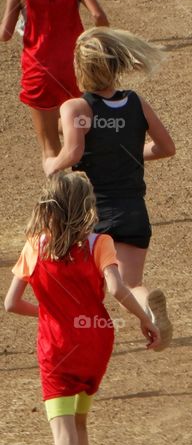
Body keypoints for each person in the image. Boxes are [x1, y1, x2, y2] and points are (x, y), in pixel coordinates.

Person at [4, 172, 160, 445]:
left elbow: (10, 303)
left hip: (56, 347)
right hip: (95, 342)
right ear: (87, 206)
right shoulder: (98, 242)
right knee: (80, 422)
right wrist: (145, 319)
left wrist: (47, 313)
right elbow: (117, 289)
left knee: (62, 430)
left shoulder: (34, 246)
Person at [43, 28, 175, 352]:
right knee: (132, 283)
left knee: (87, 286)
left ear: (80, 69)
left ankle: (81, 343)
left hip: (93, 215)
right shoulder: (136, 102)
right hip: (133, 211)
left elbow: (73, 153)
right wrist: (127, 150)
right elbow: (166, 147)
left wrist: (51, 163)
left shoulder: (76, 107)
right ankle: (152, 318)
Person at [0, 0, 108, 161]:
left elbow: (5, 34)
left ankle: (60, 194)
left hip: (38, 73)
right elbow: (99, 16)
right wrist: (97, 44)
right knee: (79, 132)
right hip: (74, 71)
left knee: (50, 148)